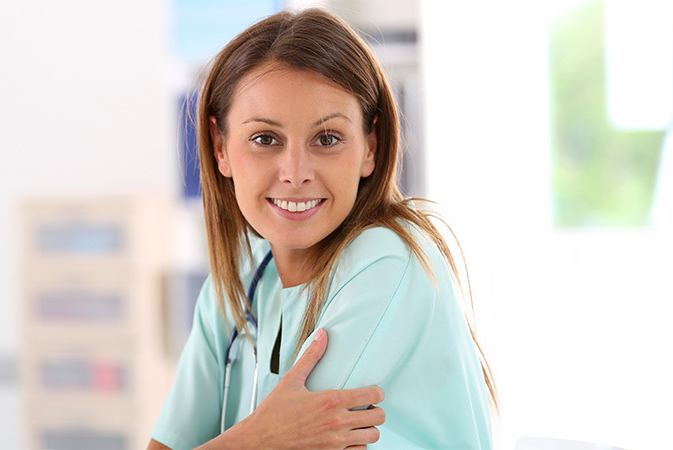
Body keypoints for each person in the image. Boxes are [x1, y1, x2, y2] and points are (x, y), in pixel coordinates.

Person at [149, 8, 497, 449]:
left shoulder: (389, 260)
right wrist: (261, 437)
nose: (295, 173)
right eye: (265, 139)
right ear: (221, 148)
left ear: (370, 147)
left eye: (327, 138)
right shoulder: (237, 281)